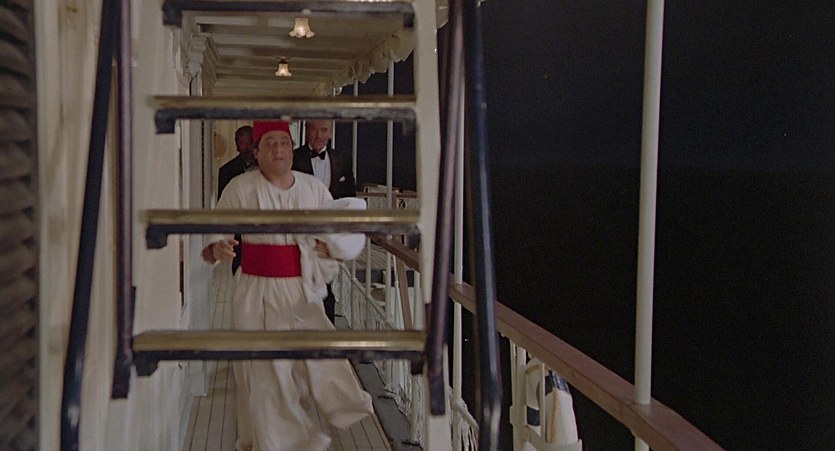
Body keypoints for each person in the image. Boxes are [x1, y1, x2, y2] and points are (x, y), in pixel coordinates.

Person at [202, 120, 373, 451]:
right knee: (259, 374)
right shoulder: (239, 188)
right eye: (269, 143)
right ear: (257, 152)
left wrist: (328, 249)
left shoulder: (313, 189)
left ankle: (292, 437)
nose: (278, 149)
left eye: (283, 143)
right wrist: (216, 247)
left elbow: (335, 235)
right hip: (254, 291)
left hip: (301, 292)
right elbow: (213, 233)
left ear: (292, 149)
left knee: (298, 373)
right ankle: (265, 443)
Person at [292, 119, 357, 323]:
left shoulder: (342, 159)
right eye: (314, 129)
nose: (319, 135)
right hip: (301, 233)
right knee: (302, 280)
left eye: (324, 130)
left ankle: (326, 327)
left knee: (327, 282)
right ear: (306, 131)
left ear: (330, 133)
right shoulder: (294, 157)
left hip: (329, 233)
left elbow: (349, 197)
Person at [218, 125, 257, 274]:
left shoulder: (267, 168)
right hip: (239, 235)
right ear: (237, 145)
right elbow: (224, 208)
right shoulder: (226, 171)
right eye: (243, 143)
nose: (247, 148)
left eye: (250, 143)